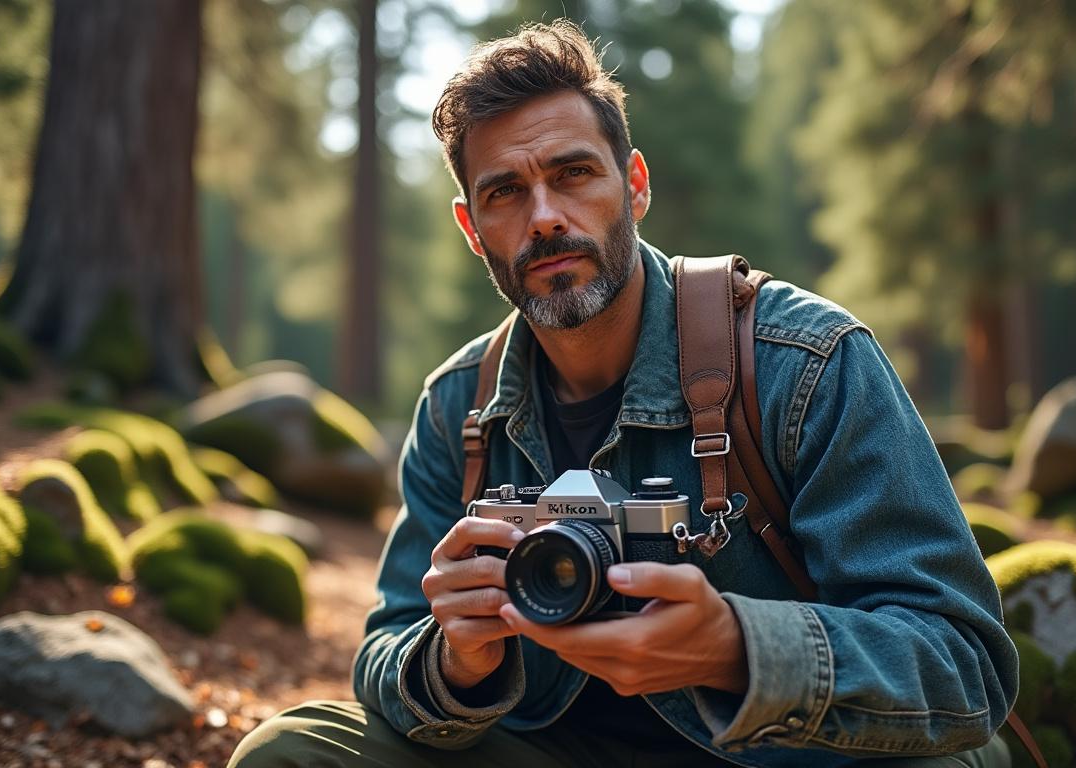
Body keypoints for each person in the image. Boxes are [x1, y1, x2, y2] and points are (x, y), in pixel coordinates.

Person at [229, 20, 1016, 768]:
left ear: (633, 185)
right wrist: (455, 661)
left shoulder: (799, 361)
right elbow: (388, 643)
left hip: (787, 755)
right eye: (505, 193)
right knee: (289, 751)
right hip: (556, 748)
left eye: (573, 173)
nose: (545, 218)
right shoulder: (460, 407)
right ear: (474, 230)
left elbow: (963, 664)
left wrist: (737, 647)